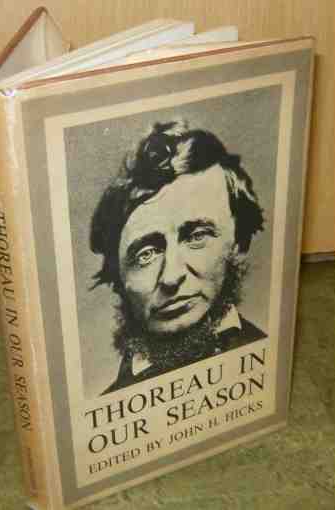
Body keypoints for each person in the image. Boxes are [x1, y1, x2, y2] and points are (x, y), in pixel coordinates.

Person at [89, 119, 267, 394]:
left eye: (197, 236)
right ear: (117, 278)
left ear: (238, 242)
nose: (171, 277)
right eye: (146, 254)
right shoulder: (107, 404)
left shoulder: (266, 359)